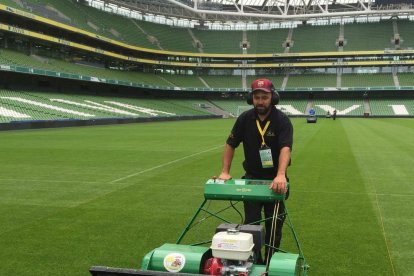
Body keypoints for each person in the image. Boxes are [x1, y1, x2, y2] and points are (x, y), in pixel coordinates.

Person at [219, 78, 293, 264]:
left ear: (273, 97)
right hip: (251, 182)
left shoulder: (282, 120)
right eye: (257, 97)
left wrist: (281, 175)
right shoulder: (244, 119)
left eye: (265, 97)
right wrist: (225, 171)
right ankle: (253, 261)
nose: (260, 101)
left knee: (274, 226)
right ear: (250, 98)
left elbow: (286, 148)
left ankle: (269, 262)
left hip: (275, 183)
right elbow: (230, 144)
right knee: (250, 225)